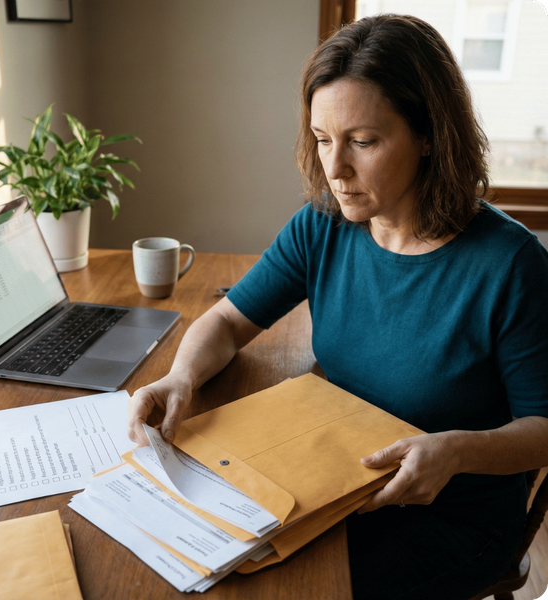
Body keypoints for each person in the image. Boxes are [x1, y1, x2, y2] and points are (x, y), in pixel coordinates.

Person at [128, 14, 548, 600]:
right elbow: (227, 322)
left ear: (429, 136)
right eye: (323, 139)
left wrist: (454, 451)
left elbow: (545, 428)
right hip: (333, 478)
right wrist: (181, 377)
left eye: (362, 141)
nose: (335, 168)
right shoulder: (324, 226)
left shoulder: (510, 264)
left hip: (451, 512)